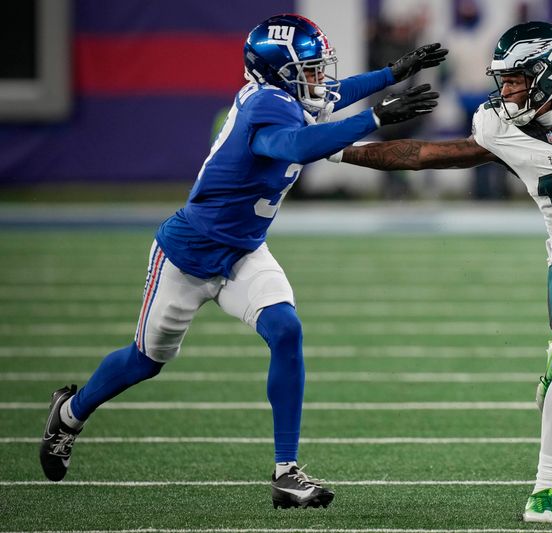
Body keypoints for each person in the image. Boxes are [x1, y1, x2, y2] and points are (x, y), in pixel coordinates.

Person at [38, 13, 446, 510]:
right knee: (145, 361)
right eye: (311, 69)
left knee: (286, 329)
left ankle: (286, 471)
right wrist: (375, 117)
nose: (321, 79)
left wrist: (393, 72)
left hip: (244, 250)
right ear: (280, 72)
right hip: (187, 256)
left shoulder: (288, 93)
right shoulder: (268, 108)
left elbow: (333, 92)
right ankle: (71, 414)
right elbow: (297, 145)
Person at [328, 21, 552, 523]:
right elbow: (420, 155)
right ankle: (545, 487)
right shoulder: (498, 128)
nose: (507, 90)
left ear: (551, 74)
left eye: (518, 79)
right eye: (504, 79)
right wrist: (335, 149)